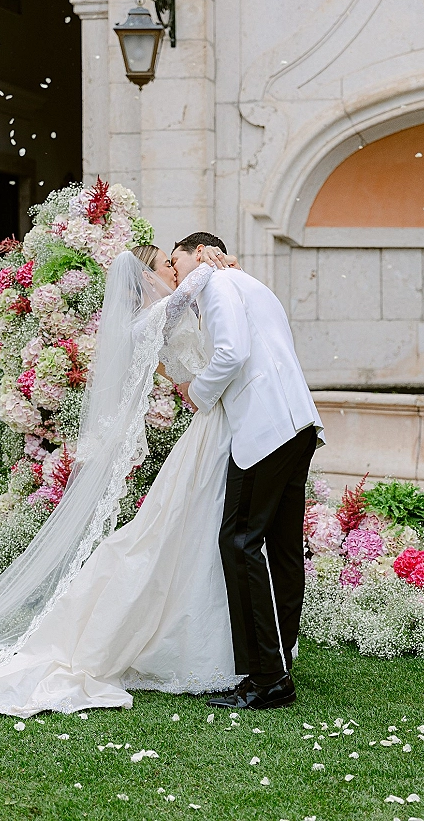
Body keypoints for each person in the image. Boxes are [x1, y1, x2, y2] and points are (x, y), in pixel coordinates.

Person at [0, 243, 244, 716]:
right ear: (144, 278)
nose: (175, 272)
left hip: (216, 420)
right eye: (166, 265)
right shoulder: (153, 317)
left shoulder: (165, 311)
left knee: (190, 528)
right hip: (214, 420)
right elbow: (190, 309)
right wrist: (213, 268)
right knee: (172, 532)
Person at [172, 232, 324, 710]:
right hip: (298, 422)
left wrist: (196, 392)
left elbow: (232, 353)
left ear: (200, 253)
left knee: (238, 540)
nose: (176, 276)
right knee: (281, 545)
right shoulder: (251, 283)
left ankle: (267, 678)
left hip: (264, 427)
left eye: (176, 264)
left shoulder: (216, 285)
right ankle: (280, 659)